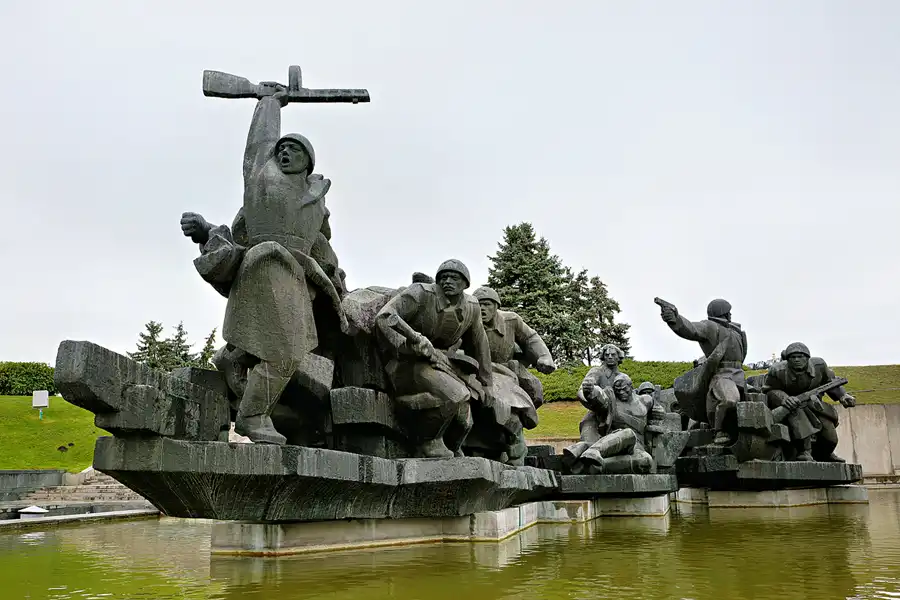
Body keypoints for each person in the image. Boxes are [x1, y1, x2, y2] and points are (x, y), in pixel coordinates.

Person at [180, 83, 346, 444]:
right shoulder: (262, 181)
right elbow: (257, 147)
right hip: (266, 264)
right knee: (283, 352)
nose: (284, 153)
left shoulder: (315, 202)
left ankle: (236, 365)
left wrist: (334, 285)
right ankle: (253, 416)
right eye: (281, 149)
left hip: (299, 278)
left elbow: (322, 248)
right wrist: (269, 102)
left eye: (293, 149)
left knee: (292, 352)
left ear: (309, 161)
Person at [375, 259, 493, 458]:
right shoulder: (421, 293)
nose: (447, 281)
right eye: (443, 277)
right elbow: (385, 317)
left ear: (465, 284)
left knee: (465, 419)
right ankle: (428, 442)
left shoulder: (472, 307)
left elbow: (480, 344)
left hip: (441, 364)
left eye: (454, 278)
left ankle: (453, 446)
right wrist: (405, 345)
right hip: (407, 364)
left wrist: (487, 383)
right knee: (454, 395)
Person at [658, 298, 747, 445]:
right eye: (727, 311)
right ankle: (719, 430)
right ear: (721, 312)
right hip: (723, 375)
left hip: (739, 374)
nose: (730, 314)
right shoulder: (710, 326)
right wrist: (675, 319)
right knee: (729, 400)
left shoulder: (736, 332)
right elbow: (691, 329)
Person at [762, 342, 856, 462]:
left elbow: (830, 382)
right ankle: (804, 452)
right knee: (798, 418)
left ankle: (825, 454)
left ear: (807, 358)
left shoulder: (819, 366)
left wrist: (843, 396)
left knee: (830, 438)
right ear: (788, 359)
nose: (796, 360)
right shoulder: (777, 370)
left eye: (800, 356)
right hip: (791, 405)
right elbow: (768, 390)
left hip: (814, 405)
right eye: (793, 357)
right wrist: (785, 399)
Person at [564, 374, 665, 474]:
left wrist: (659, 410)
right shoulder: (612, 400)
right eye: (618, 390)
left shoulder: (645, 400)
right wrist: (590, 391)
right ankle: (593, 450)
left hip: (636, 447)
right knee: (629, 434)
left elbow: (656, 407)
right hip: (615, 444)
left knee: (646, 461)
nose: (621, 392)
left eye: (624, 389)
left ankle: (593, 465)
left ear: (631, 386)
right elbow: (601, 398)